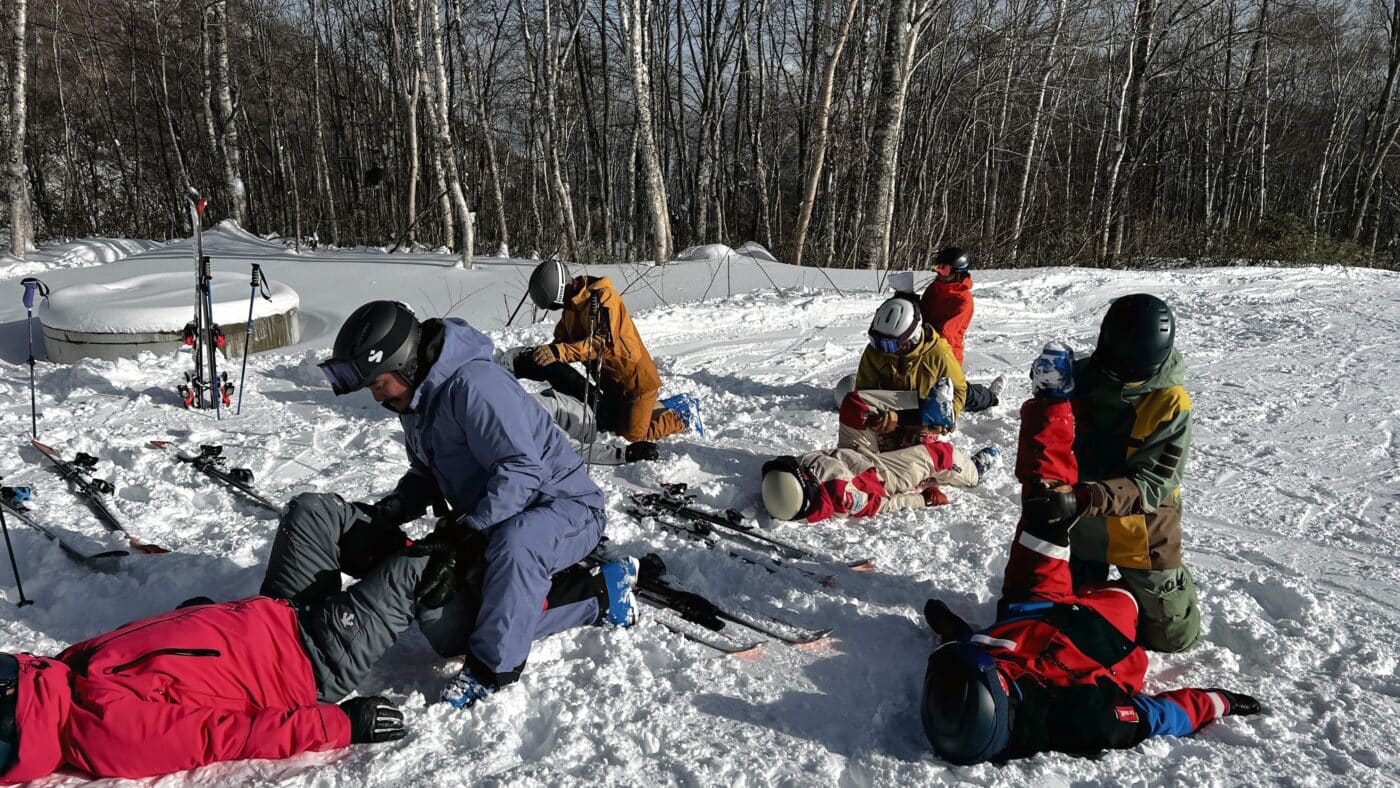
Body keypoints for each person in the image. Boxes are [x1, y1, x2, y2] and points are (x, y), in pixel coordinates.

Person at [918, 344, 1260, 764]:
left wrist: (953, 632)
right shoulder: (1085, 719)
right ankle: (1141, 589)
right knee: (1172, 632)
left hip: (1033, 605)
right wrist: (1220, 702)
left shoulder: (976, 679)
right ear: (1003, 697)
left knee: (1045, 505)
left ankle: (1051, 401)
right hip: (1105, 621)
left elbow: (969, 644)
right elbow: (1161, 715)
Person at [313, 300, 638, 708]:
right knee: (454, 627)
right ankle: (545, 593)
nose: (377, 396)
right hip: (502, 513)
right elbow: (426, 473)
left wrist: (469, 529)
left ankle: (503, 662)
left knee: (517, 547)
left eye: (378, 383)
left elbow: (522, 471)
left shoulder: (476, 386)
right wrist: (395, 507)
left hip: (566, 507)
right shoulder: (415, 401)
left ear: (404, 363)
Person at [0, 593, 407, 782]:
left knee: (315, 512)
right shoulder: (100, 729)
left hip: (273, 615)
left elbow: (159, 657)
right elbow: (226, 735)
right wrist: (340, 725)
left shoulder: (65, 670)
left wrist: (200, 618)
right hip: (310, 664)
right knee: (420, 565)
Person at [1065, 294, 1200, 652]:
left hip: (1141, 528)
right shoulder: (1083, 376)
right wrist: (1047, 385)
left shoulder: (1171, 403)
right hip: (1080, 525)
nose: (1119, 376)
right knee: (1067, 620)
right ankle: (1108, 593)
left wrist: (1086, 496)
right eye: (1114, 367)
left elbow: (1154, 484)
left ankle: (1163, 584)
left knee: (1173, 640)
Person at [510, 260, 701, 441]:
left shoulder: (604, 297)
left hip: (636, 382)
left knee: (632, 437)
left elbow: (604, 343)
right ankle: (658, 408)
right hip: (611, 383)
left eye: (554, 304)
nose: (556, 308)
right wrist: (542, 355)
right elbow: (561, 341)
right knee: (611, 426)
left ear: (559, 291)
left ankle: (681, 418)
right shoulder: (571, 309)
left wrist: (559, 352)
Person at [760, 389, 999, 522]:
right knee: (939, 455)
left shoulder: (786, 473)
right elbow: (883, 505)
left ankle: (924, 403)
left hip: (854, 453)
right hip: (885, 475)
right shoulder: (843, 495)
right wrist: (923, 500)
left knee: (854, 403)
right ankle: (973, 472)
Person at [855, 294, 966, 449]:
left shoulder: (938, 353)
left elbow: (959, 389)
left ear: (912, 338)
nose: (883, 350)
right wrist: (873, 414)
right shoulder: (875, 351)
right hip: (888, 415)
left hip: (922, 419)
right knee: (873, 452)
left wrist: (946, 415)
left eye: (891, 345)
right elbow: (863, 391)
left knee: (918, 455)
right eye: (876, 342)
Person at [918, 246, 1003, 412]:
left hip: (946, 352)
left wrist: (921, 333)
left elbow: (945, 332)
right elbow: (921, 311)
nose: (939, 274)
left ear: (958, 272)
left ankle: (989, 397)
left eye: (944, 269)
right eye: (937, 268)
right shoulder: (935, 288)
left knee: (954, 392)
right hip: (922, 346)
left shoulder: (964, 301)